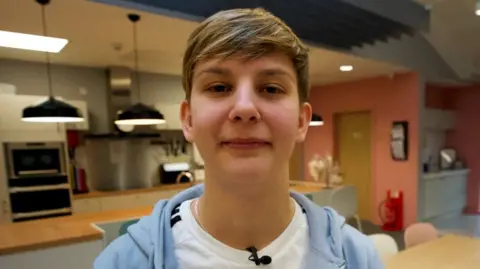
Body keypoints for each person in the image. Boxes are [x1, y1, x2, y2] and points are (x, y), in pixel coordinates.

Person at [94, 8, 383, 269]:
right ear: (188, 119)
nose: (245, 108)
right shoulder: (121, 263)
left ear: (301, 121)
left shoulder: (358, 258)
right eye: (219, 87)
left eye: (270, 88)